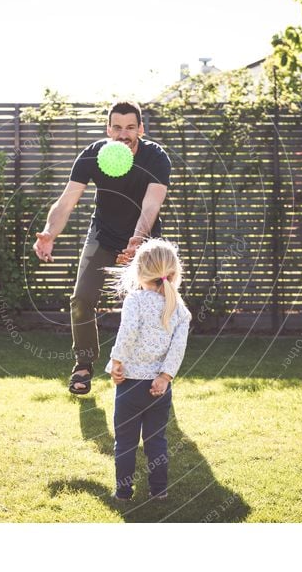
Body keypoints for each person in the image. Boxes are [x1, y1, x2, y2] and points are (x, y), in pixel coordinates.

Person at [32, 101, 172, 395]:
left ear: (141, 129)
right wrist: (49, 233)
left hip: (144, 242)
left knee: (150, 308)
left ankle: (150, 373)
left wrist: (137, 240)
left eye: (130, 127)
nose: (123, 134)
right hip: (103, 236)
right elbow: (67, 200)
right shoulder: (93, 155)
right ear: (109, 129)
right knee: (82, 298)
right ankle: (83, 365)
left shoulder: (156, 157)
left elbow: (152, 203)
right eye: (117, 127)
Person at [105, 237, 191, 501]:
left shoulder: (136, 301)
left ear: (140, 272)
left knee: (126, 442)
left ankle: (123, 492)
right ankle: (159, 490)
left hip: (130, 385)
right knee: (157, 441)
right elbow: (177, 350)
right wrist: (164, 377)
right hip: (159, 389)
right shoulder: (179, 309)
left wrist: (115, 363)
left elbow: (127, 334)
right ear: (173, 274)